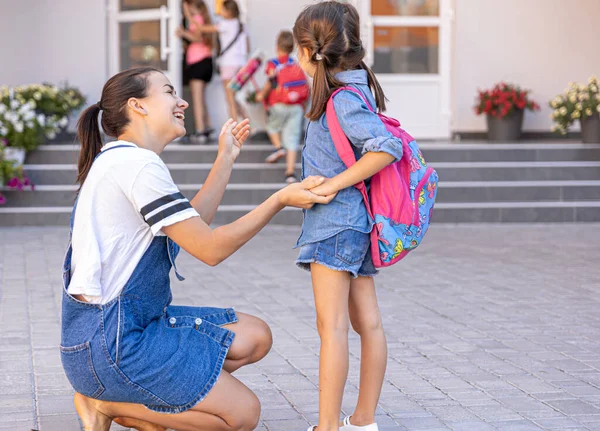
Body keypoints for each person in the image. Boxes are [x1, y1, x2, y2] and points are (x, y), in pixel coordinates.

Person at [62, 66, 336, 431]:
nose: (183, 101)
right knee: (241, 415)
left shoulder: (117, 159)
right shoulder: (137, 165)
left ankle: (138, 394)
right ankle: (105, 402)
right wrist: (280, 199)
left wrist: (225, 158)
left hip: (99, 338)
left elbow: (194, 228)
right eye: (169, 92)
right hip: (115, 345)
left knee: (254, 336)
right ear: (137, 106)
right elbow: (210, 249)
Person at [292, 2, 405, 431]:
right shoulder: (354, 89)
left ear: (309, 51)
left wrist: (333, 184)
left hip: (335, 223)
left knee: (333, 328)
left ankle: (327, 427)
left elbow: (385, 148)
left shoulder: (341, 99)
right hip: (355, 222)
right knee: (368, 323)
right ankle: (363, 422)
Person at [256, 30, 309, 184]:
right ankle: (290, 173)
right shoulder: (296, 64)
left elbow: (270, 83)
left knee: (272, 127)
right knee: (292, 138)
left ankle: (279, 147)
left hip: (279, 105)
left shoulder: (274, 64)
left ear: (277, 46)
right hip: (296, 106)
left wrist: (261, 95)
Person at [193, 0, 248, 122]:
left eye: (222, 9)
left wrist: (189, 15)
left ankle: (235, 127)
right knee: (233, 96)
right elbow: (247, 47)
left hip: (228, 64)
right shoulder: (241, 25)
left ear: (228, 12)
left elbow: (202, 28)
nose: (220, 12)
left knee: (229, 98)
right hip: (241, 65)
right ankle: (247, 121)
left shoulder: (225, 24)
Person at [176, 0, 216, 143]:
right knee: (202, 98)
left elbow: (197, 37)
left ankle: (200, 131)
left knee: (197, 99)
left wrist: (183, 32)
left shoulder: (197, 19)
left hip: (198, 64)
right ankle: (207, 127)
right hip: (205, 62)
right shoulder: (203, 19)